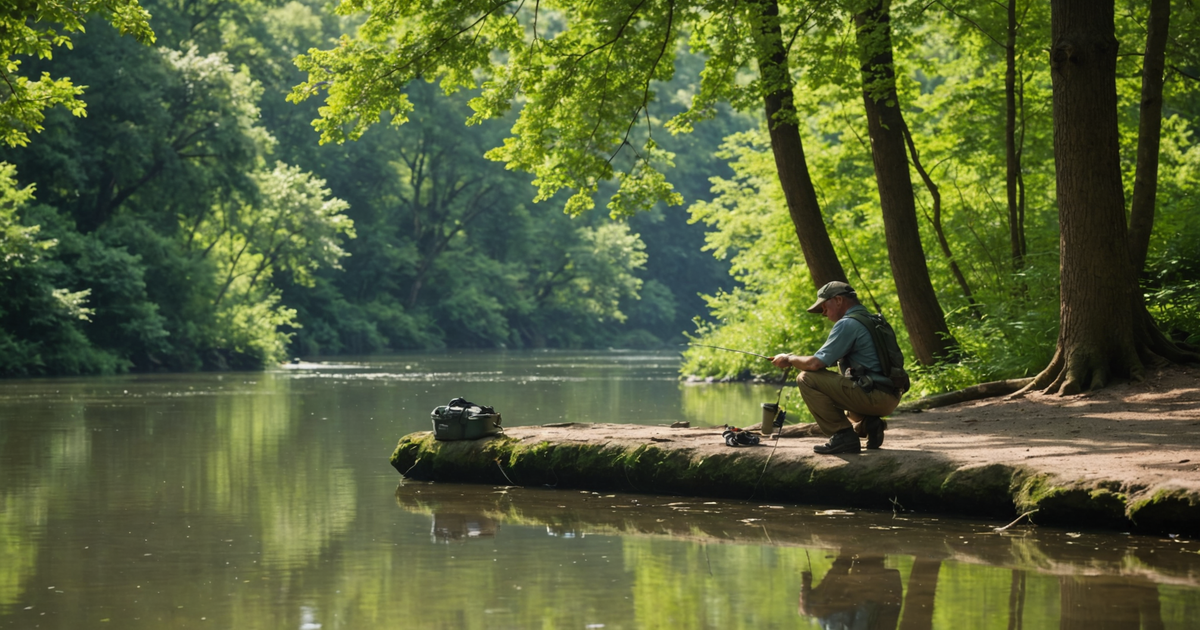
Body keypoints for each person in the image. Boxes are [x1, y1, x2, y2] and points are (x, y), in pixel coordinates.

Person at [771, 281, 900, 454]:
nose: (823, 313)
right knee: (845, 405)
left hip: (874, 396)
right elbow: (826, 360)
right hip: (890, 395)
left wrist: (788, 358)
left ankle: (843, 436)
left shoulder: (848, 324)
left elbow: (814, 364)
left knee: (806, 378)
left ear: (838, 300)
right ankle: (868, 425)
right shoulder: (872, 319)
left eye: (824, 306)